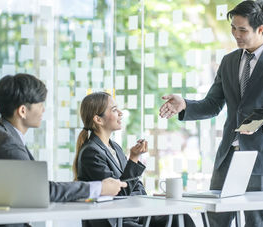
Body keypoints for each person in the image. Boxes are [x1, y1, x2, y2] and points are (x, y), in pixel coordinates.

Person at [159, 0, 263, 227]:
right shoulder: (228, 61)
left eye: (242, 29)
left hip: (262, 159)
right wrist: (185, 105)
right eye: (233, 28)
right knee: (216, 221)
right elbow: (212, 104)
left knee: (255, 222)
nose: (236, 34)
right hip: (228, 156)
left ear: (261, 29)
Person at [0, 74, 127, 227]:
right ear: (22, 111)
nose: (43, 109)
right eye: (40, 104)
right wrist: (99, 187)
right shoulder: (9, 144)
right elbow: (43, 191)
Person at [73, 92, 195, 227]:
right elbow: (117, 194)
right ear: (98, 119)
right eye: (114, 110)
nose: (120, 113)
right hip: (113, 221)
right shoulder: (91, 153)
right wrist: (134, 158)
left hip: (129, 217)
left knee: (181, 219)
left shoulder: (115, 147)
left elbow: (135, 186)